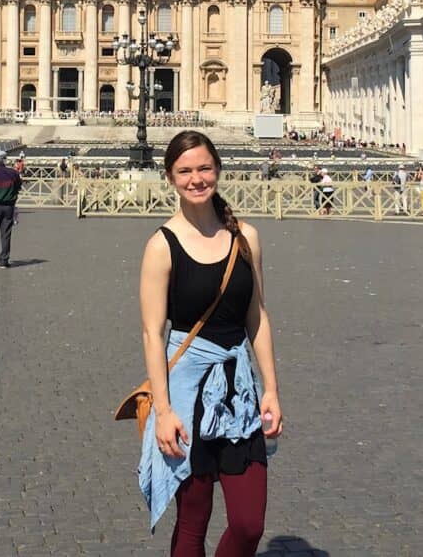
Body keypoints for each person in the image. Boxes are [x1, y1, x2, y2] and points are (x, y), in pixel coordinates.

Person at [136, 130, 282, 549]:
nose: (196, 178)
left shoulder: (245, 237)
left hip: (239, 393)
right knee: (192, 522)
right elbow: (152, 333)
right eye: (185, 171)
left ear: (217, 169)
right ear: (170, 177)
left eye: (204, 168)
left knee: (249, 523)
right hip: (187, 394)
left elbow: (257, 316)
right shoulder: (161, 247)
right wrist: (163, 411)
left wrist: (270, 389)